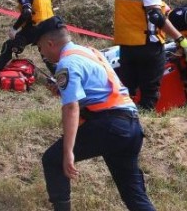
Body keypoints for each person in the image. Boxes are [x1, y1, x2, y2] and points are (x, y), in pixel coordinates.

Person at [35, 16, 155, 211]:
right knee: (134, 195)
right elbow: (98, 92)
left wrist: (68, 152)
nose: (42, 54)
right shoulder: (90, 52)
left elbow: (71, 108)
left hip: (109, 125)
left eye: (40, 48)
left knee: (53, 160)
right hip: (131, 125)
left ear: (50, 43)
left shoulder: (67, 64)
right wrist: (62, 90)